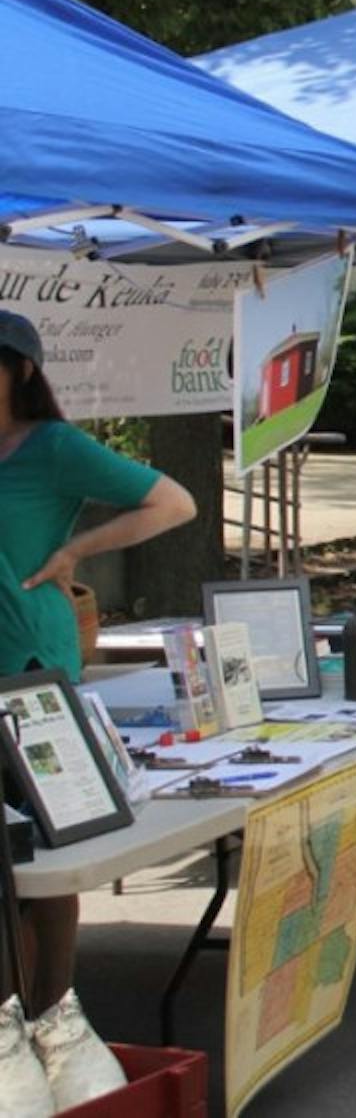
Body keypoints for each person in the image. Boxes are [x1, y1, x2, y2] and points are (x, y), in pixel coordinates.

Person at [0, 311, 197, 1015]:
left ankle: (48, 1013)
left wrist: (77, 551)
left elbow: (173, 502)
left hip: (29, 672)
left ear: (21, 371)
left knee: (43, 861)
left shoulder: (52, 447)